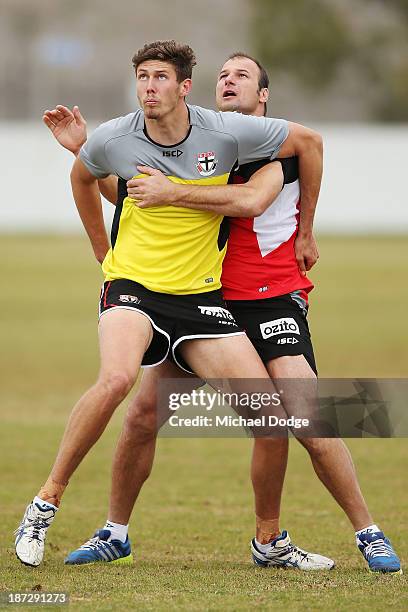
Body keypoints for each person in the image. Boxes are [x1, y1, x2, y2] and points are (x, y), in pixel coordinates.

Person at [16, 45, 401, 575]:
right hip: (199, 296)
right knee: (140, 410)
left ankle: (354, 532)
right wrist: (90, 158)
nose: (229, 79)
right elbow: (132, 195)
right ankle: (108, 528)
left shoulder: (264, 146)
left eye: (242, 74)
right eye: (223, 73)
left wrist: (306, 228)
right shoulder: (202, 135)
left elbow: (254, 197)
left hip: (265, 299)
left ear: (263, 94)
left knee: (299, 416)